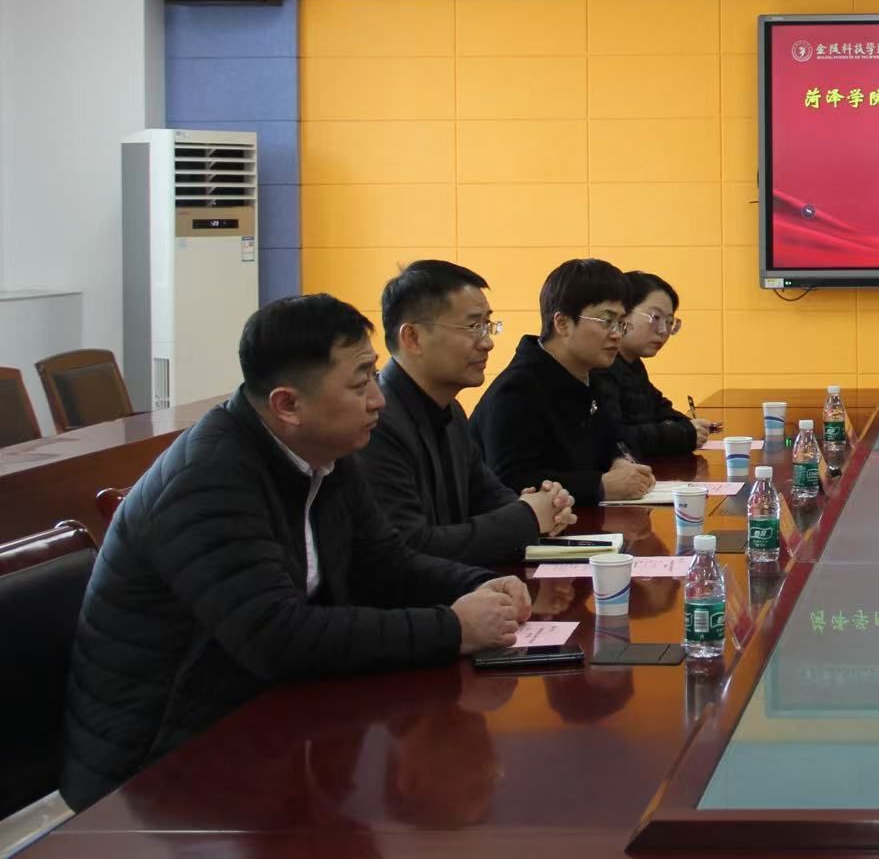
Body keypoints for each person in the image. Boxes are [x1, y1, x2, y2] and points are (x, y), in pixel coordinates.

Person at [60, 295, 529, 810]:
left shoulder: (326, 453)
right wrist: (453, 628)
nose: (379, 400)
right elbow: (275, 637)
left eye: (374, 375)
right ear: (287, 405)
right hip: (158, 771)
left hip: (260, 726)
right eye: (360, 384)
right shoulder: (209, 479)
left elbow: (384, 563)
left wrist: (475, 585)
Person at [362, 260, 576, 565]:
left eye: (488, 325)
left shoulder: (450, 410)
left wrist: (546, 506)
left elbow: (488, 496)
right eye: (474, 326)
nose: (487, 343)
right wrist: (527, 517)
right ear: (413, 338)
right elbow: (411, 546)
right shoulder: (374, 422)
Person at [474, 258, 655, 505]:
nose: (616, 334)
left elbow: (614, 438)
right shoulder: (517, 391)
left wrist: (620, 461)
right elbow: (511, 481)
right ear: (562, 323)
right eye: (606, 321)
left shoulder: (592, 376)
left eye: (621, 324)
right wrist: (599, 486)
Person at [594, 270, 720, 456]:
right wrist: (682, 433)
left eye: (670, 322)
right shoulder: (600, 367)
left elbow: (659, 408)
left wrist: (687, 425)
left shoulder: (632, 364)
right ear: (622, 314)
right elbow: (616, 439)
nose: (663, 331)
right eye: (655, 318)